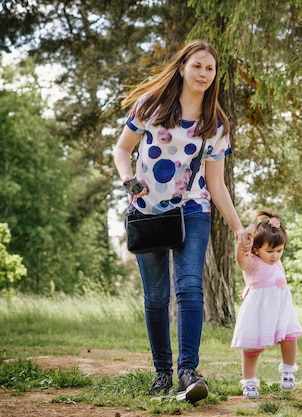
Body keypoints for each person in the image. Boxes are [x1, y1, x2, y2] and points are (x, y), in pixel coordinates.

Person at [113, 40, 246, 404]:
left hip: (192, 208)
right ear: (183, 67)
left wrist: (237, 228)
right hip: (146, 211)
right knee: (156, 297)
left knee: (189, 287)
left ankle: (189, 371)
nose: (204, 74)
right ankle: (161, 374)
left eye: (210, 69)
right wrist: (128, 180)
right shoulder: (151, 106)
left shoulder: (215, 124)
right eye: (198, 66)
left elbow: (216, 184)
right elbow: (122, 149)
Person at [231, 211, 302, 399]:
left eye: (279, 250)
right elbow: (242, 261)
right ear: (256, 249)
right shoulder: (252, 262)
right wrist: (242, 244)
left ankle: (288, 372)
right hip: (259, 311)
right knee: (252, 348)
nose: (274, 256)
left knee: (290, 338)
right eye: (269, 251)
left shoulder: (277, 262)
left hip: (281, 309)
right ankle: (249, 383)